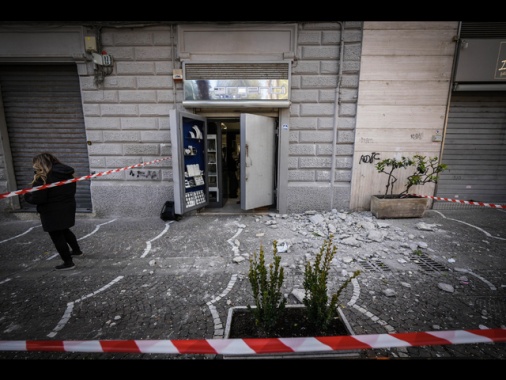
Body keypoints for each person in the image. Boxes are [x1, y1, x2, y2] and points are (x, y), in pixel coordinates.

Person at [24, 153, 83, 271]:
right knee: (65, 229)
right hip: (67, 207)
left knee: (56, 235)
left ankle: (68, 262)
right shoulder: (67, 173)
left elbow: (38, 199)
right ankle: (77, 251)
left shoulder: (43, 177)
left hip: (51, 210)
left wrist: (27, 196)